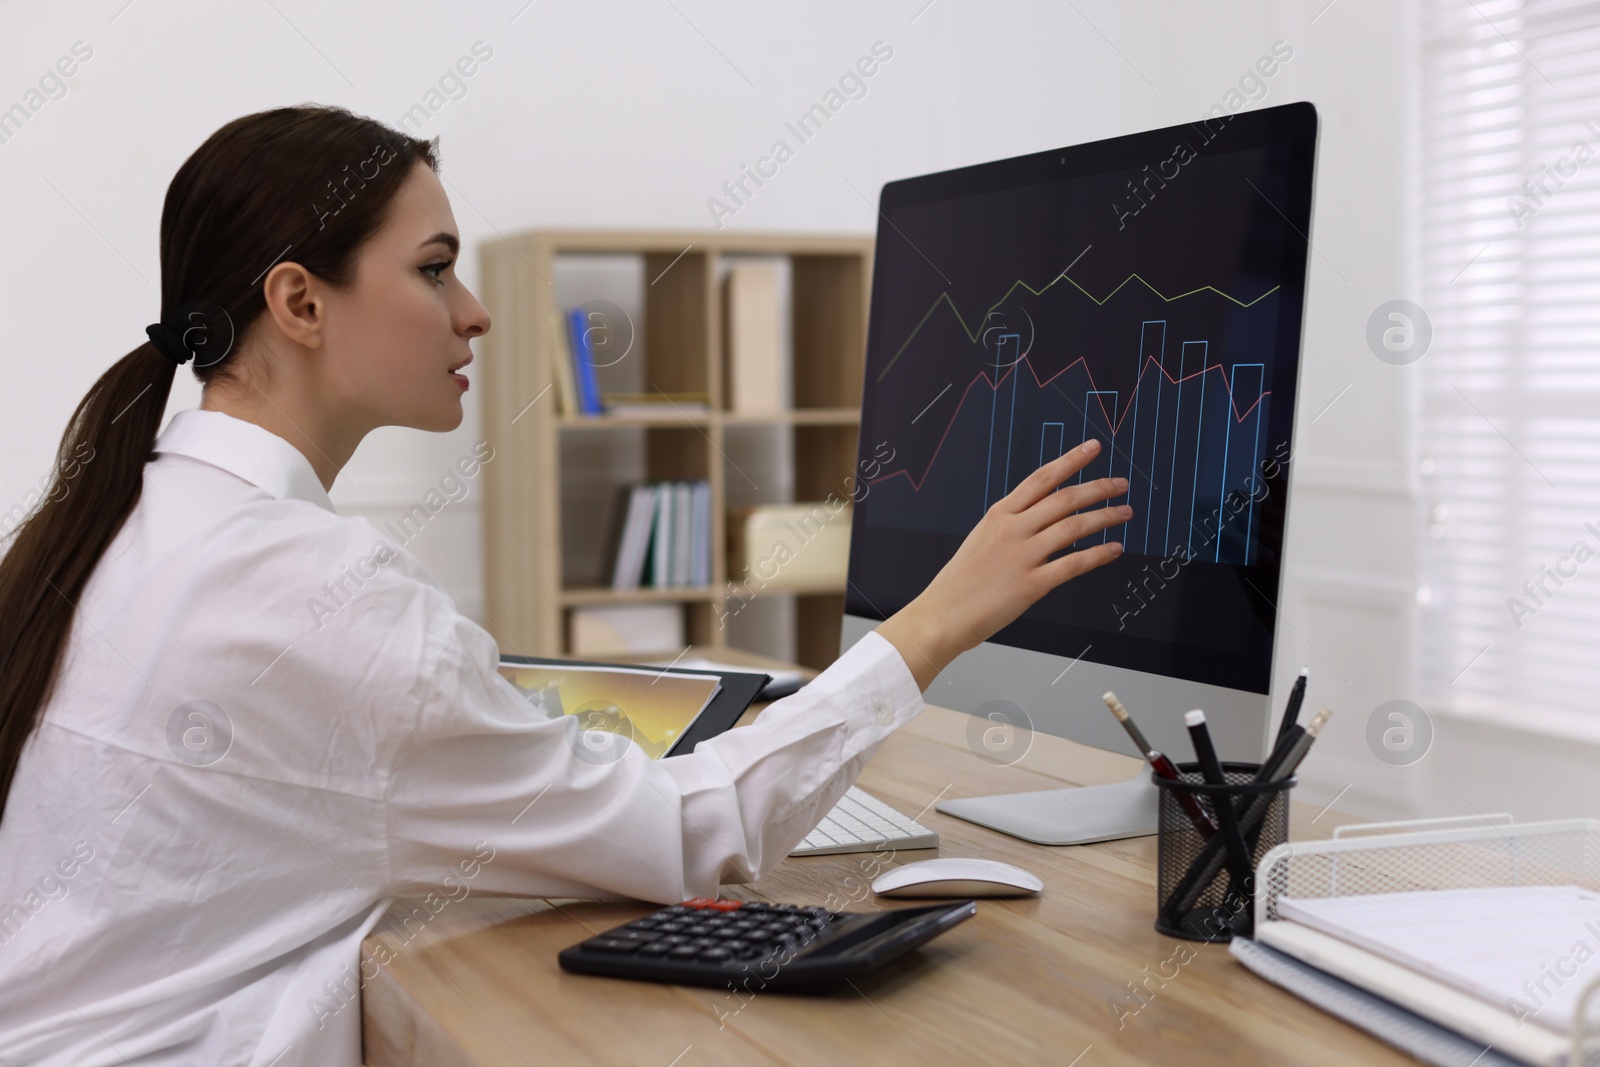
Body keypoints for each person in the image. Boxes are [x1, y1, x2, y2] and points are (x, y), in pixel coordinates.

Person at [0, 105, 1131, 1066]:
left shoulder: (132, 518)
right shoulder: (311, 587)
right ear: (298, 303)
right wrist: (933, 624)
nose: (475, 310)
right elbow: (692, 836)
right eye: (434, 267)